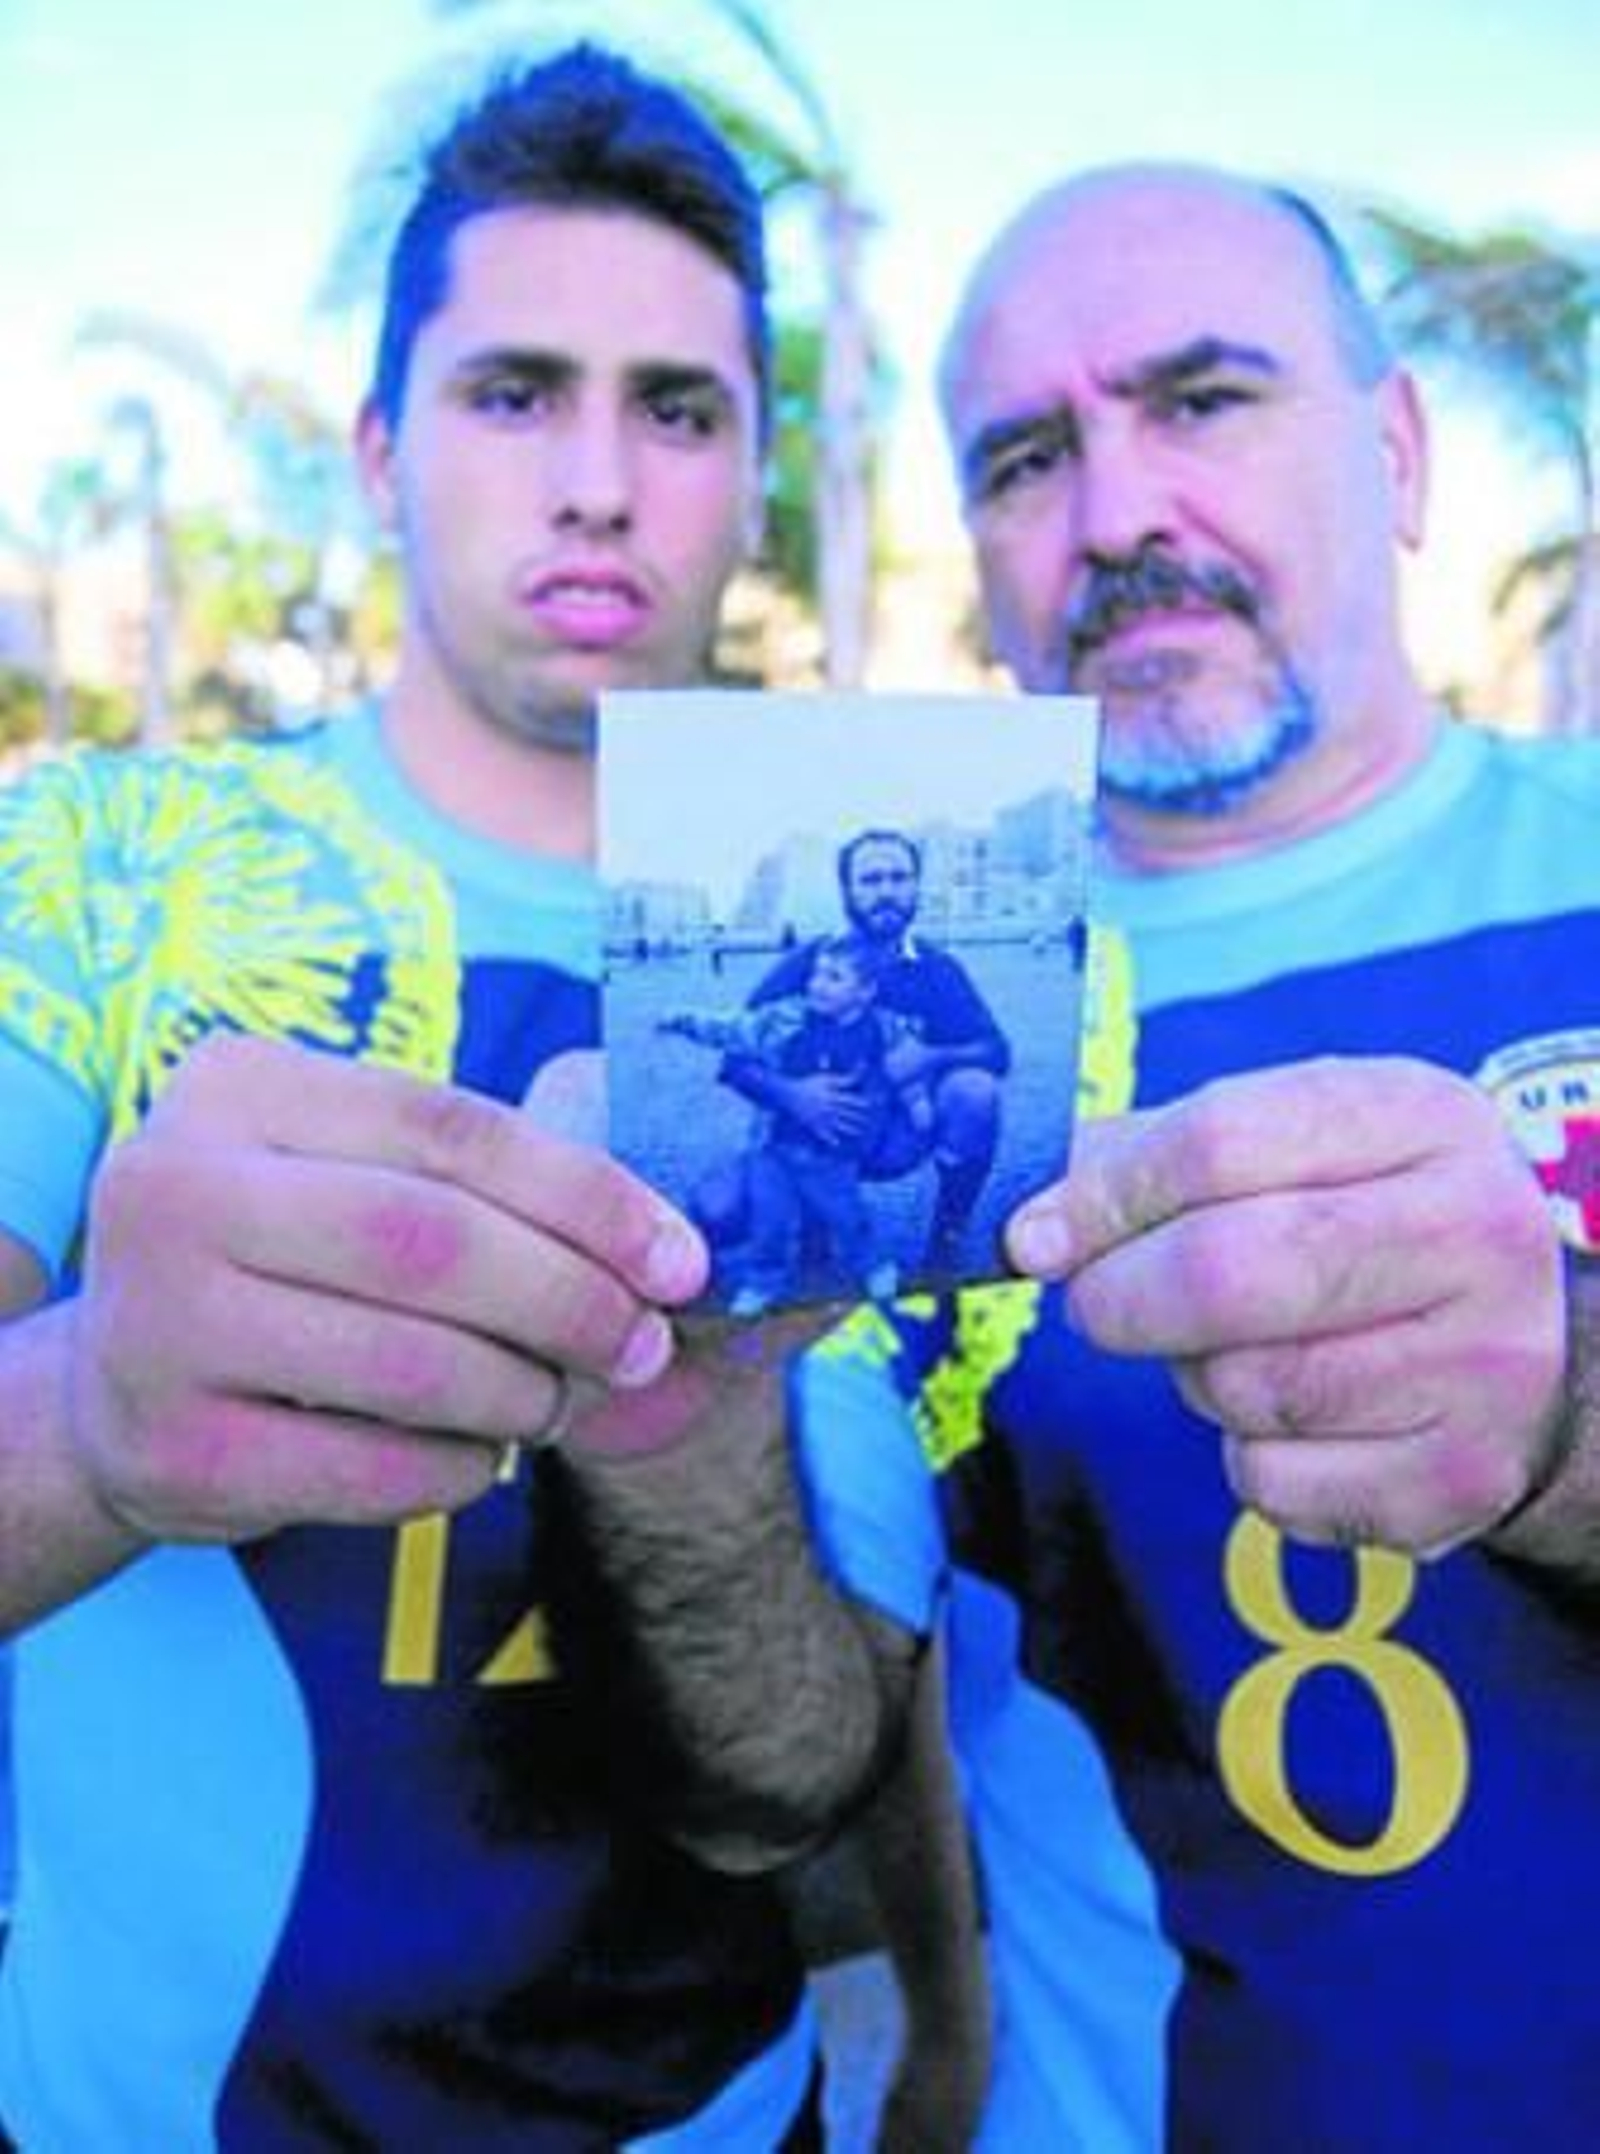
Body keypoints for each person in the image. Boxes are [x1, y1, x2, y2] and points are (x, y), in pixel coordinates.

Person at [0, 46, 899, 2148]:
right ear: (381, 448)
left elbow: (797, 1777)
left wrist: (699, 1461)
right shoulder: (99, 871)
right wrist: (96, 1415)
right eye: (515, 392)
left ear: (751, 474)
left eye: (675, 410)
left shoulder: (827, 940)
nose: (598, 481)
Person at [792, 163, 1600, 2150]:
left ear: (1396, 452)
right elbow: (812, 1741)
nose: (1116, 514)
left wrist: (1561, 1407)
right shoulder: (900, 1025)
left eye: (1201, 400)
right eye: (1021, 458)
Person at [712, 828, 1012, 1275]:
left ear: (916, 885)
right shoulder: (811, 963)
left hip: (899, 1136)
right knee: (720, 1213)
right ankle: (812, 1225)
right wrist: (796, 1096)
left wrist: (930, 1058)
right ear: (847, 890)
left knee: (976, 1093)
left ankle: (946, 1239)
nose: (886, 891)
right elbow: (734, 1062)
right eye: (871, 880)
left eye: (899, 877)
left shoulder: (938, 969)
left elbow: (997, 1051)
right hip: (811, 1138)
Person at [659, 933, 921, 1313]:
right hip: (775, 1149)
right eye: (815, 975)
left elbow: (908, 1063)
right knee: (770, 1223)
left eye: (833, 977)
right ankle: (763, 1282)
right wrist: (680, 1020)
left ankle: (874, 1266)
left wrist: (919, 1101)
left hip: (833, 1152)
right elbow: (732, 1029)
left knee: (848, 1216)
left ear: (865, 992)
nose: (817, 984)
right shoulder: (785, 1018)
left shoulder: (884, 1028)